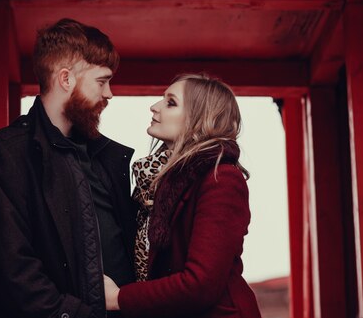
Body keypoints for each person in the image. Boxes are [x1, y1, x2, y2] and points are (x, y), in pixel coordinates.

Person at [0, 18, 136, 318]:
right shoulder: (11, 152)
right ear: (66, 79)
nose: (109, 93)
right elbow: (15, 266)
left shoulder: (104, 155)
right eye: (101, 81)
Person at [104, 74, 261, 318]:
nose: (154, 107)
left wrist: (119, 298)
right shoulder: (156, 182)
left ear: (199, 119)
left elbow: (201, 284)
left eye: (171, 102)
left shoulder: (221, 179)